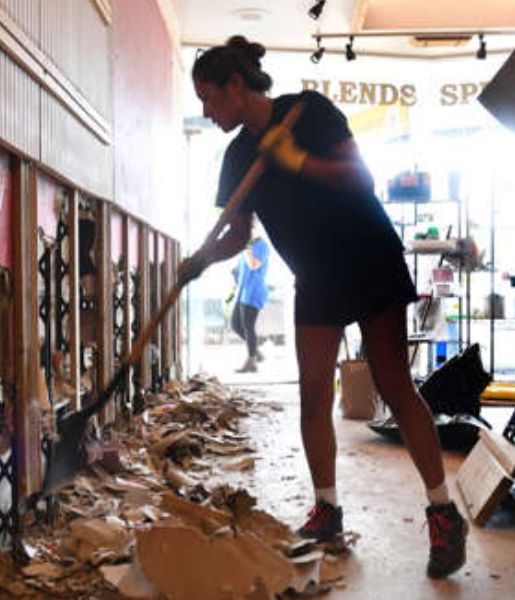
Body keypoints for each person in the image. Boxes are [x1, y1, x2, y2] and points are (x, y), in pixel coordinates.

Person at [179, 36, 468, 579]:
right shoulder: (238, 155)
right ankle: (327, 508)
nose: (207, 111)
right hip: (316, 276)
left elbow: (361, 179)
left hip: (368, 257)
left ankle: (442, 511)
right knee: (313, 389)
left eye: (209, 98)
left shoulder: (307, 112)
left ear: (236, 86)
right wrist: (201, 260)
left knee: (393, 385)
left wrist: (295, 160)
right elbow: (237, 235)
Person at [230, 233, 270, 373]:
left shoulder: (262, 246)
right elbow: (242, 269)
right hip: (243, 292)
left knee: (248, 326)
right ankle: (255, 352)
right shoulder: (248, 247)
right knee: (235, 324)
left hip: (254, 291)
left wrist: (245, 246)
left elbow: (253, 265)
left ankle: (251, 361)